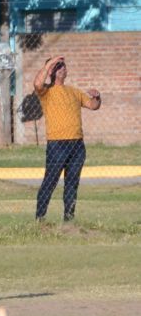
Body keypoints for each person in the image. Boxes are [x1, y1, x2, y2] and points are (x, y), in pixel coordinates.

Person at [33, 56, 101, 222]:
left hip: (77, 145)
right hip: (57, 144)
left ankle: (69, 220)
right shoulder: (46, 92)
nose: (63, 68)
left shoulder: (74, 91)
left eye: (63, 65)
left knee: (72, 183)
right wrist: (50, 62)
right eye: (59, 66)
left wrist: (97, 97)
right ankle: (40, 219)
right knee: (50, 182)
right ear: (52, 71)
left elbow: (93, 106)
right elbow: (37, 84)